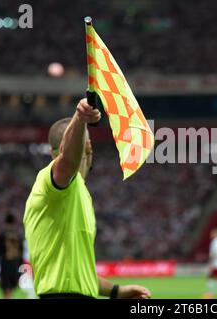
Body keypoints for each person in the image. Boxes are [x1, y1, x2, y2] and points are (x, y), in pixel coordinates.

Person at [23, 98, 151, 299]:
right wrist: (80, 119)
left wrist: (117, 291)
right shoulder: (48, 182)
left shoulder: (78, 192)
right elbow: (67, 161)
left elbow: (79, 272)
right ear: (88, 146)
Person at [0, 213, 24, 299]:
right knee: (10, 290)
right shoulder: (18, 236)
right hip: (16, 264)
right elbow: (21, 253)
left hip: (5, 264)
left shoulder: (2, 236)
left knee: (6, 290)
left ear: (5, 222)